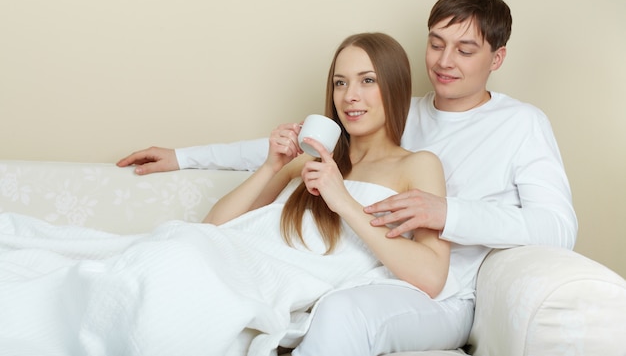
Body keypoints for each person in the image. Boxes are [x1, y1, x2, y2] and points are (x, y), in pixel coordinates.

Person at [117, 0, 578, 355]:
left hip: (443, 291)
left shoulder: (521, 124)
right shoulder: (399, 111)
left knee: (340, 312)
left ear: (496, 58)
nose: (443, 61)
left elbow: (558, 227)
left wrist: (446, 213)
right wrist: (185, 156)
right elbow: (298, 147)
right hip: (363, 266)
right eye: (436, 44)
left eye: (464, 50)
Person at [0, 33, 467, 355]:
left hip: (259, 284)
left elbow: (430, 277)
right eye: (340, 82)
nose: (350, 96)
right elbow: (213, 229)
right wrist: (271, 166)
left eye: (367, 80)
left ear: (395, 86)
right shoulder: (313, 164)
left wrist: (344, 201)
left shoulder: (417, 166)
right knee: (149, 263)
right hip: (218, 259)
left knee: (167, 286)